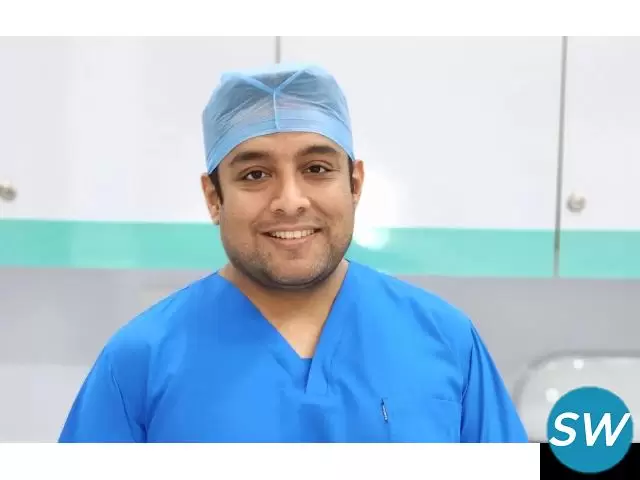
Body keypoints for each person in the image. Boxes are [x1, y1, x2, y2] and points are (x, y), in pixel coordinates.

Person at [58, 63, 528, 443]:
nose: (290, 201)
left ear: (355, 184)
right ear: (213, 197)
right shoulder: (139, 362)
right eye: (255, 175)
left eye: (317, 168)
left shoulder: (447, 341)